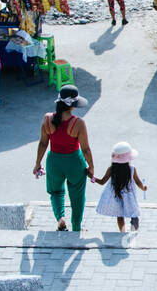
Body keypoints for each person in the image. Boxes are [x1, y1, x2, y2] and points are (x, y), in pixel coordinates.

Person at [33, 85, 95, 231]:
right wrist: (91, 166)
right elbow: (85, 149)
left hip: (54, 162)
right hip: (74, 163)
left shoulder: (47, 119)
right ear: (73, 106)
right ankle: (76, 228)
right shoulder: (78, 123)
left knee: (56, 192)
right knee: (77, 198)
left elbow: (43, 143)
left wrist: (37, 164)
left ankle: (60, 218)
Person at [92, 141, 146, 232]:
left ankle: (122, 232)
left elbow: (102, 181)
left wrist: (93, 178)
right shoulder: (131, 169)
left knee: (120, 215)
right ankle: (134, 231)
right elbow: (138, 182)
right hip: (129, 196)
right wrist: (143, 188)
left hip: (116, 196)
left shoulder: (111, 169)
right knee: (134, 214)